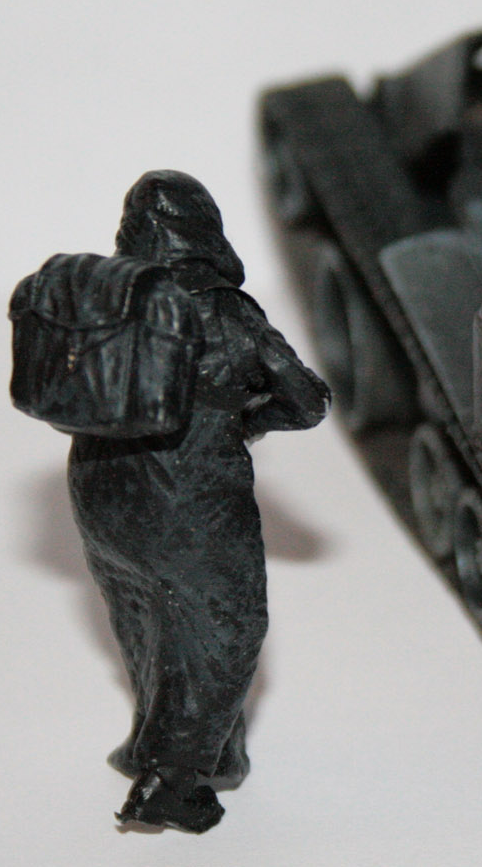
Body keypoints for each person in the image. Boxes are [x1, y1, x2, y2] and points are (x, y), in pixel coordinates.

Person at [66, 170, 329, 832]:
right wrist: (244, 419)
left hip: (100, 496)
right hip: (188, 500)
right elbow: (306, 401)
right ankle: (168, 779)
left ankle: (199, 748)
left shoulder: (108, 299)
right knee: (227, 633)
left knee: (146, 620)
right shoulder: (224, 311)